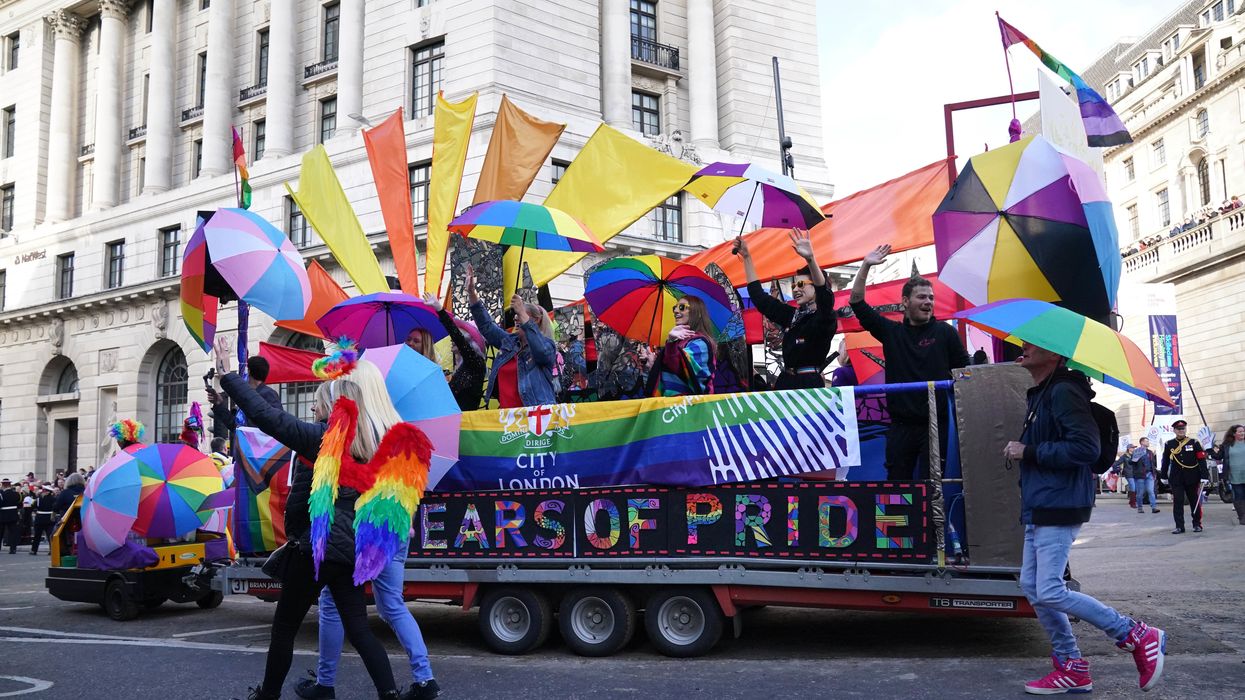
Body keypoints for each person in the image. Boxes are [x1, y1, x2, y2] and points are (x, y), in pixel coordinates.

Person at [216, 345, 414, 700]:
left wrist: (229, 376)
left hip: (316, 549)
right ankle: (390, 694)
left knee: (285, 627)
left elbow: (267, 417)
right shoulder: (387, 446)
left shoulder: (326, 440)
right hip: (351, 551)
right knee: (360, 630)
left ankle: (268, 696)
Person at [1004, 342, 1166, 694]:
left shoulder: (1063, 391)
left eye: (1033, 344)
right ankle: (1072, 666)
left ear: (1055, 355)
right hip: (1042, 503)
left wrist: (1028, 450)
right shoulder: (1042, 393)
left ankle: (1135, 633)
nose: (1024, 347)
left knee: (1048, 588)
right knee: (1033, 588)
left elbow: (1086, 448)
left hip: (1059, 502)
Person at [849, 244, 969, 480]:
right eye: (922, 297)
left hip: (936, 425)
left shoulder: (945, 333)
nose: (928, 302)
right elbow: (857, 303)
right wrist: (866, 265)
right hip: (900, 426)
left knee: (932, 488)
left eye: (931, 298)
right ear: (905, 301)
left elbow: (964, 373)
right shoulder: (891, 332)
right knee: (897, 489)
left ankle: (934, 521)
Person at [734, 229, 837, 389]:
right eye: (794, 285)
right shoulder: (792, 316)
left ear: (815, 288)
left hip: (809, 386)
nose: (795, 289)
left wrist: (810, 259)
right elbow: (759, 298)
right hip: (785, 383)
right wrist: (747, 257)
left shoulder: (825, 318)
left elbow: (825, 295)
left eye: (801, 284)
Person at [466, 267, 558, 408]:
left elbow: (541, 352)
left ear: (536, 320)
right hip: (508, 417)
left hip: (536, 416)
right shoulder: (510, 342)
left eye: (520, 315)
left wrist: (522, 311)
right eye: (516, 315)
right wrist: (472, 293)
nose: (516, 318)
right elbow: (487, 326)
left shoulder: (548, 345)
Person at [638, 295, 718, 396]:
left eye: (682, 307)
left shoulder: (701, 343)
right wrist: (654, 364)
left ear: (696, 313)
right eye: (674, 308)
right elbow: (670, 373)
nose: (676, 311)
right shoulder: (678, 342)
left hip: (694, 407)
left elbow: (681, 368)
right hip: (673, 407)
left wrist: (671, 342)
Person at [422, 292, 487, 411]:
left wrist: (440, 310)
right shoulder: (459, 368)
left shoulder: (476, 364)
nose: (452, 339)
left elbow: (458, 338)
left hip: (467, 423)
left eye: (460, 337)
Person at [208, 355, 283, 435]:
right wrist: (219, 404)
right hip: (246, 444)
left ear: (249, 371)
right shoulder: (247, 395)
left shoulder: (268, 394)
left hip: (259, 446)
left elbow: (277, 424)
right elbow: (236, 426)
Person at [1160, 419, 1209, 534]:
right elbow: (1165, 461)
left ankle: (1197, 524)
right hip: (1176, 478)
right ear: (1174, 430)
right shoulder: (1169, 444)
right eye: (1179, 429)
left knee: (1194, 501)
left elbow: (1201, 460)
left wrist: (1204, 475)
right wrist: (1163, 475)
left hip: (1192, 476)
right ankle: (1179, 526)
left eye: (1183, 429)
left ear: (1185, 429)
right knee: (1178, 501)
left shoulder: (1194, 442)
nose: (1181, 431)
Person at [1209, 424, 1245, 525]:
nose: (1242, 433)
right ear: (1234, 433)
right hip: (1234, 475)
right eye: (1240, 431)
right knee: (1239, 496)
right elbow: (1218, 456)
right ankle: (1242, 517)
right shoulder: (1227, 445)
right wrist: (1209, 448)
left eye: (1243, 431)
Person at [1126, 438, 1160, 514]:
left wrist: (1154, 473)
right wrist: (1134, 459)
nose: (1148, 442)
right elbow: (1130, 462)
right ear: (1142, 442)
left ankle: (1154, 507)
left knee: (1151, 491)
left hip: (1150, 474)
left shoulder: (1150, 452)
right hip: (1140, 475)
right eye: (1146, 441)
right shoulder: (1136, 451)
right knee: (1140, 493)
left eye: (1148, 441)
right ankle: (1140, 508)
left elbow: (1152, 463)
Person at [30, 484, 58, 555]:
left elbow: (33, 506)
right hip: (49, 518)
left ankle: (34, 550)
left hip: (40, 518)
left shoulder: (38, 499)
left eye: (44, 491)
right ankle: (52, 550)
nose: (43, 492)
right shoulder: (54, 499)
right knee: (50, 535)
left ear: (48, 492)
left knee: (37, 536)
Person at [0, 478, 20, 554]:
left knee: (1, 533)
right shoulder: (16, 494)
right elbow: (19, 504)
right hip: (13, 515)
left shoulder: (1, 494)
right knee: (13, 533)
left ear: (3, 485)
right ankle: (13, 549)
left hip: (3, 515)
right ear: (9, 485)